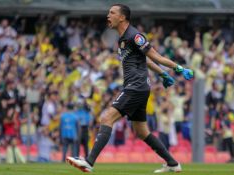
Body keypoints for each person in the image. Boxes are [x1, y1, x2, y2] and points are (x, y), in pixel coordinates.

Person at [66, 4, 194, 173]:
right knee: (141, 131)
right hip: (139, 88)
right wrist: (163, 75)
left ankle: (89, 162)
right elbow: (146, 61)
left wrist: (178, 68)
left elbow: (156, 56)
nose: (108, 16)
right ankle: (172, 163)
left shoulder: (135, 36)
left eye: (112, 13)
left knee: (107, 118)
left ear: (122, 17)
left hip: (135, 87)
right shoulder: (122, 40)